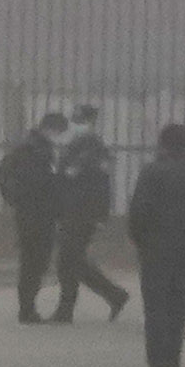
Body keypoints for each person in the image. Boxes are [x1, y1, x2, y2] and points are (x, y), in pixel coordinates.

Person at [123, 119, 185, 367]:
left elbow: (139, 212)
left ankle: (157, 361)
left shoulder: (152, 172)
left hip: (156, 248)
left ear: (163, 144)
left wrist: (139, 238)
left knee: (156, 306)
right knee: (179, 304)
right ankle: (173, 359)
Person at [48, 111, 132, 325]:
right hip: (71, 211)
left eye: (81, 122)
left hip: (83, 213)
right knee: (71, 260)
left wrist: (99, 215)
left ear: (91, 123)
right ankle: (114, 295)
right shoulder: (78, 144)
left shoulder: (93, 147)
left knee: (68, 259)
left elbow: (100, 185)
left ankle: (67, 309)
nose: (76, 125)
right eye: (75, 121)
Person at [0, 109, 68, 321]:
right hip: (38, 213)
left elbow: (6, 171)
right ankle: (27, 310)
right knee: (35, 261)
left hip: (29, 212)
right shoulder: (37, 149)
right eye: (59, 131)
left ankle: (27, 308)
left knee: (32, 261)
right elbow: (41, 183)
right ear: (51, 129)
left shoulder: (28, 145)